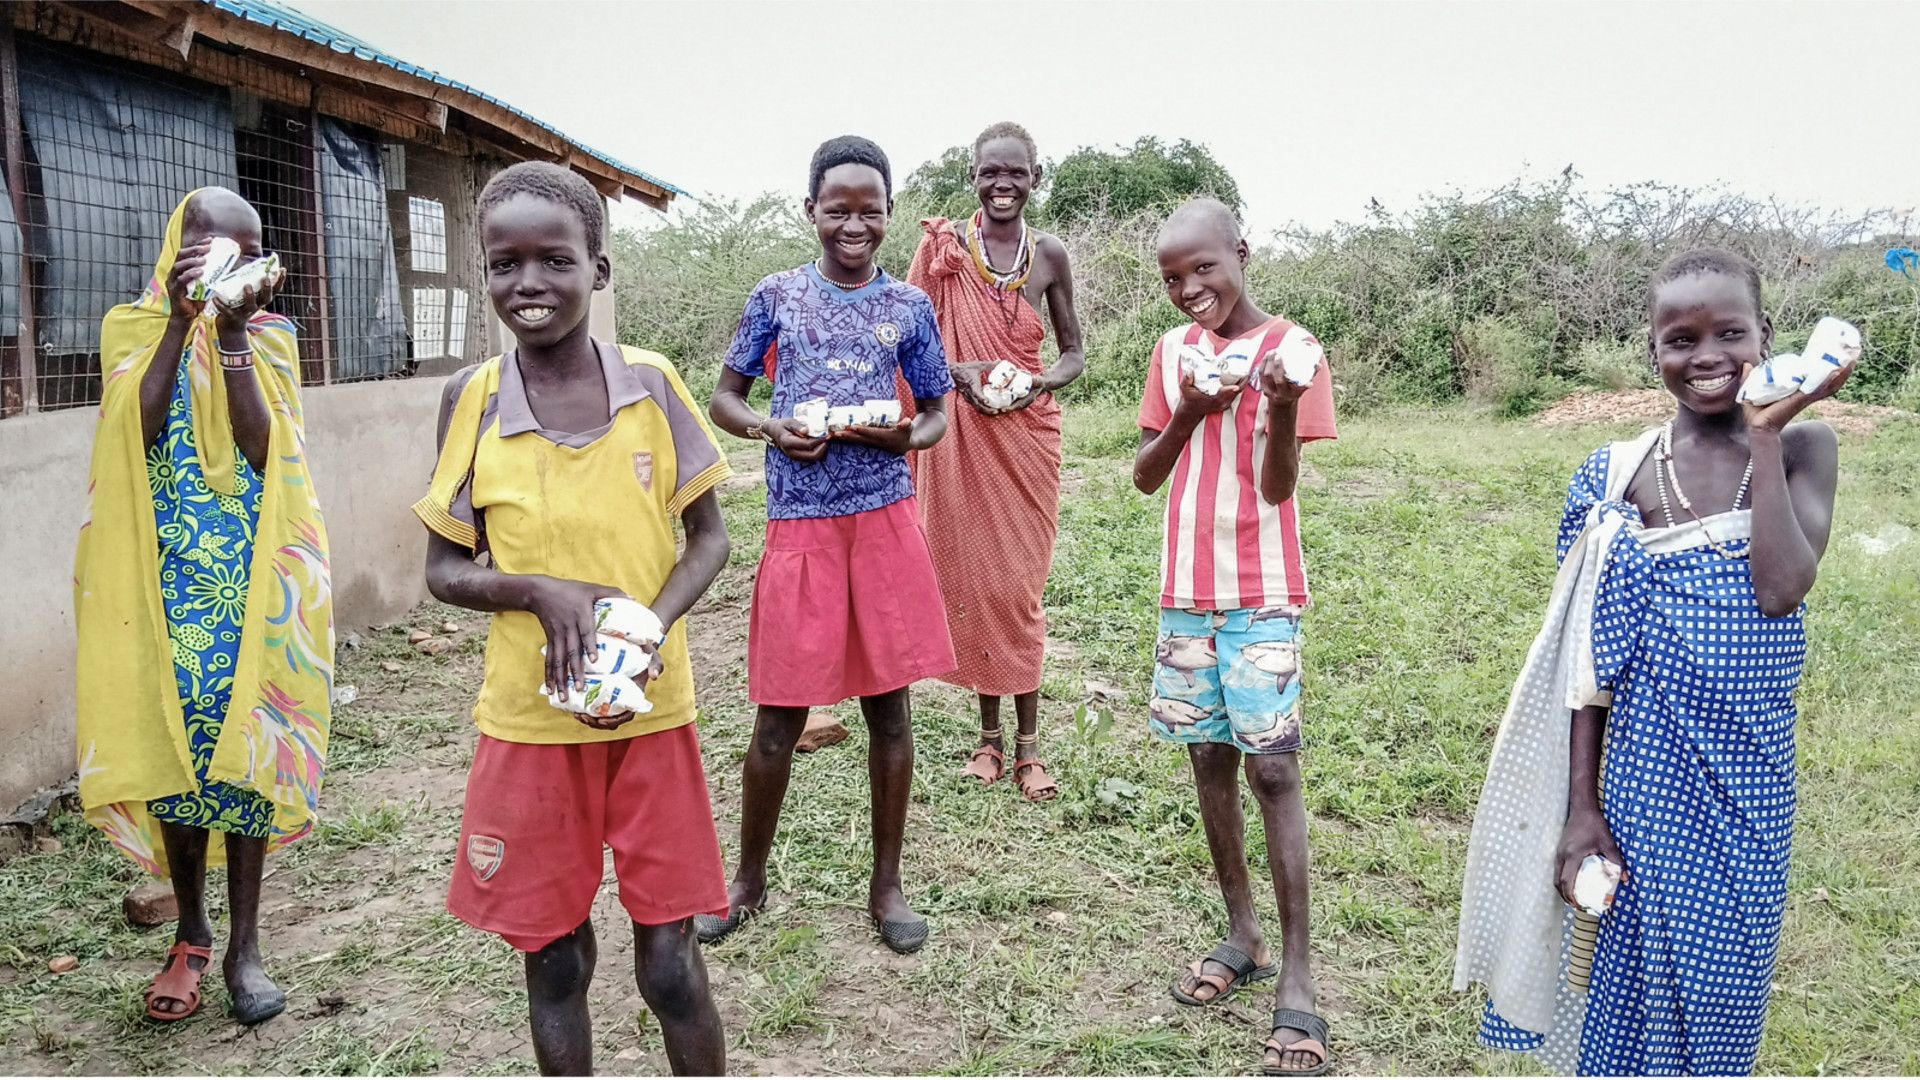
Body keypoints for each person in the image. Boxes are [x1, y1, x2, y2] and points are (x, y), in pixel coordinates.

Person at [1455, 248, 1848, 1075]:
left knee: (1725, 989)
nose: (1707, 357)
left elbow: (1781, 588)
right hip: (1639, 788)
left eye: (1731, 333)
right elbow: (1586, 662)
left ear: (1767, 335)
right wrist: (1580, 809)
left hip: (1748, 787)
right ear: (1653, 352)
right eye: (1681, 339)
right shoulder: (1616, 476)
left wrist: (1767, 433)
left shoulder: (1807, 448)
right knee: (1625, 996)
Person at [413, 161, 732, 1076]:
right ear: (486, 276)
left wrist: (647, 627)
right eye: (505, 265)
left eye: (555, 261)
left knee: (670, 967)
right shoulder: (470, 400)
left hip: (650, 717)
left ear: (599, 267)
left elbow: (707, 540)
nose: (530, 285)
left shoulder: (651, 384)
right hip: (529, 722)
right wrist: (538, 590)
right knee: (553, 958)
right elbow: (442, 568)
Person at [72, 187, 332, 1026]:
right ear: (174, 249)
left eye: (248, 247)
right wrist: (183, 324)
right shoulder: (131, 331)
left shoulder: (271, 339)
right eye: (213, 245)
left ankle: (245, 946)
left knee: (247, 739)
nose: (233, 261)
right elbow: (131, 437)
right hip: (160, 580)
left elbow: (270, 452)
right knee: (176, 750)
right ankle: (189, 930)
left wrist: (227, 337)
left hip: (252, 577)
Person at [700, 135, 956, 955]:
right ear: (810, 210)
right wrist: (769, 428)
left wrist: (905, 438)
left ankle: (887, 888)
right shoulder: (777, 296)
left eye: (869, 209)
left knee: (889, 709)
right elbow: (725, 397)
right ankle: (747, 881)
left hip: (883, 520)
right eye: (837, 208)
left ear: (888, 213)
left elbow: (939, 412)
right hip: (801, 525)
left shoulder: (909, 308)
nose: (855, 223)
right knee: (779, 716)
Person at [1133, 199, 1338, 1076]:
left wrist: (1277, 406)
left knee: (1274, 766)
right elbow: (1144, 477)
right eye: (1174, 279)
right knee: (1210, 758)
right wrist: (1186, 411)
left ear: (1241, 255)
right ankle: (1242, 932)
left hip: (1261, 593)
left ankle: (1298, 973)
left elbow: (1279, 487)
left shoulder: (1294, 351)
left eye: (1204, 270)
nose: (1190, 290)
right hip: (1188, 594)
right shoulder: (1173, 354)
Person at [906, 121, 1085, 802]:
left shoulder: (1050, 256)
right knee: (975, 582)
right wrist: (963, 373)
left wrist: (1035, 384)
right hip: (962, 438)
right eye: (990, 172)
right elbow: (909, 341)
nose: (1002, 184)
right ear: (973, 175)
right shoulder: (943, 250)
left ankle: (1031, 749)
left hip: (1026, 439)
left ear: (1036, 177)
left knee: (1018, 589)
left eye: (1015, 172)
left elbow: (1072, 354)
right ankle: (987, 741)